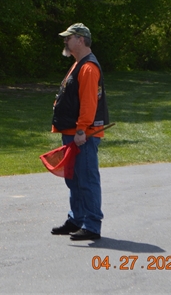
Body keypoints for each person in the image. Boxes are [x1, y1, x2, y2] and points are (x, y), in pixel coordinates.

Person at [50, 23, 110, 241]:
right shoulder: (78, 65)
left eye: (69, 37)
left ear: (81, 40)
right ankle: (76, 220)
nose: (65, 41)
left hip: (82, 135)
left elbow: (89, 102)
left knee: (86, 179)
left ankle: (92, 225)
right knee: (74, 179)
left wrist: (82, 129)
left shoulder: (88, 67)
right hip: (73, 132)